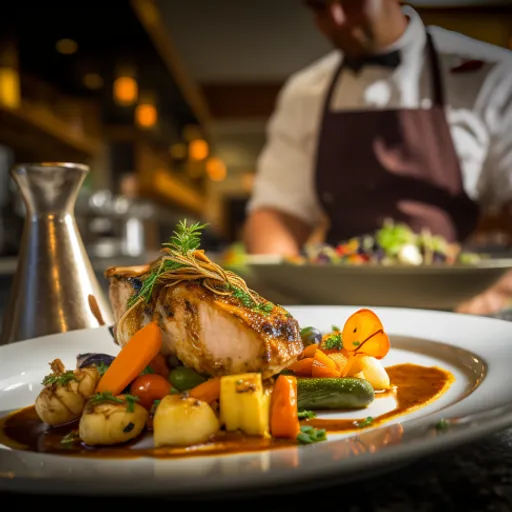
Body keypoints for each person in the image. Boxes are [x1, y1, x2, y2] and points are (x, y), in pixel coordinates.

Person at [243, 0, 512, 315]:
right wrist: (286, 305)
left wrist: (497, 290)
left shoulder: (493, 75)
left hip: (455, 303)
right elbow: (277, 213)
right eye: (319, 7)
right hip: (336, 308)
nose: (337, 18)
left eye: (352, 2)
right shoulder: (303, 92)